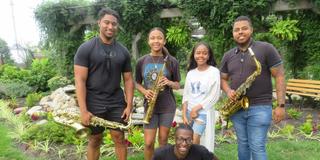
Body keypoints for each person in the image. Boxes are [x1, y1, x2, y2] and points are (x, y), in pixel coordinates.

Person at [220, 16, 286, 160]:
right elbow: (223, 79)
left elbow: (279, 75)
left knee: (257, 146)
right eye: (236, 30)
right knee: (243, 145)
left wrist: (281, 105)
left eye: (244, 28)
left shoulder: (266, 48)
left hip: (261, 106)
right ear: (233, 33)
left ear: (251, 30)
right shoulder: (228, 55)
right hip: (237, 107)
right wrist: (228, 90)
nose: (240, 32)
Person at [74, 8, 134, 160]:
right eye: (106, 22)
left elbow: (128, 79)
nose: (110, 27)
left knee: (119, 138)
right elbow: (79, 80)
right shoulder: (85, 49)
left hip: (116, 101)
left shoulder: (123, 51)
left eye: (114, 24)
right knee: (94, 140)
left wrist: (129, 105)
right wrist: (83, 110)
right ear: (99, 22)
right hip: (93, 100)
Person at [135, 27, 181, 160]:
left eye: (159, 38)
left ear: (164, 41)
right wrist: (144, 91)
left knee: (163, 142)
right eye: (153, 38)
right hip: (150, 106)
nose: (156, 41)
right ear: (148, 41)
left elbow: (177, 84)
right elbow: (136, 82)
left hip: (167, 106)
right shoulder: (141, 61)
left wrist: (168, 82)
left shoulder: (172, 61)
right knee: (148, 143)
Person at [182, 42, 220, 151]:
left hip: (203, 112)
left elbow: (215, 95)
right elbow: (186, 95)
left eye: (204, 53)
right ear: (194, 55)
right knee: (187, 139)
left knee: (195, 138)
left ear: (209, 56)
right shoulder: (191, 73)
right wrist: (184, 114)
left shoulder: (214, 72)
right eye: (198, 53)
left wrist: (196, 108)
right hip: (189, 112)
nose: (201, 56)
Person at [152, 124, 219, 160]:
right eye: (180, 139)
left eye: (188, 140)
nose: (184, 143)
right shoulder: (161, 154)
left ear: (192, 139)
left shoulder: (200, 151)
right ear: (175, 139)